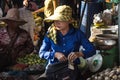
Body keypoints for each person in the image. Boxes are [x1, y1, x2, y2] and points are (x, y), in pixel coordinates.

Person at [39, 5, 96, 80]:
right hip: (54, 69)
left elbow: (92, 49)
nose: (57, 22)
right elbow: (42, 53)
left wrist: (79, 54)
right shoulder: (50, 33)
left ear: (69, 20)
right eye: (55, 20)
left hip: (71, 69)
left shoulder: (77, 34)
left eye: (61, 19)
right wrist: (55, 54)